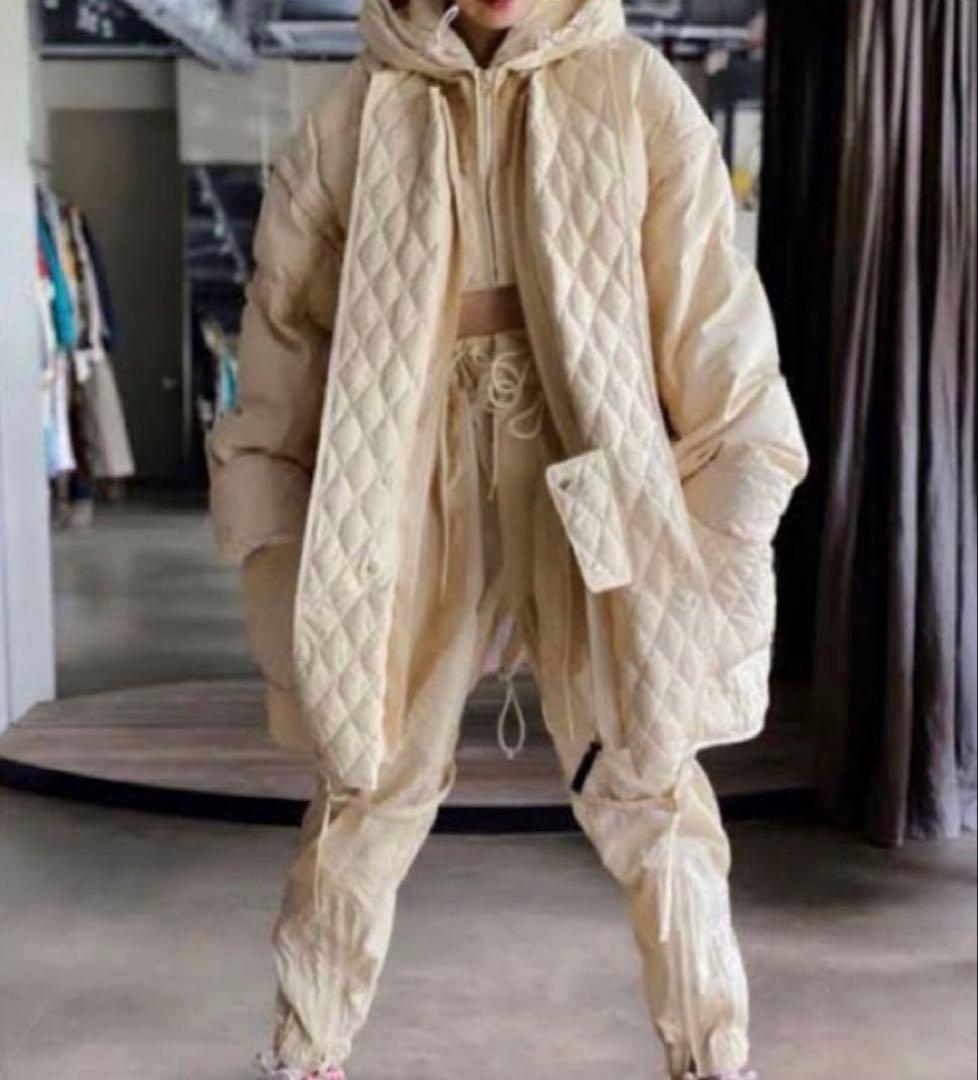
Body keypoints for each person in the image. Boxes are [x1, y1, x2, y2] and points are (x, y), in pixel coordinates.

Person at [207, 0, 810, 1076]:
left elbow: (707, 300)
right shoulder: (356, 111)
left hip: (591, 469)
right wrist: (269, 500)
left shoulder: (633, 90)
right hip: (407, 471)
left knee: (646, 763)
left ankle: (714, 1056)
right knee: (371, 765)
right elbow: (286, 328)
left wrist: (738, 483)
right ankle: (306, 1049)